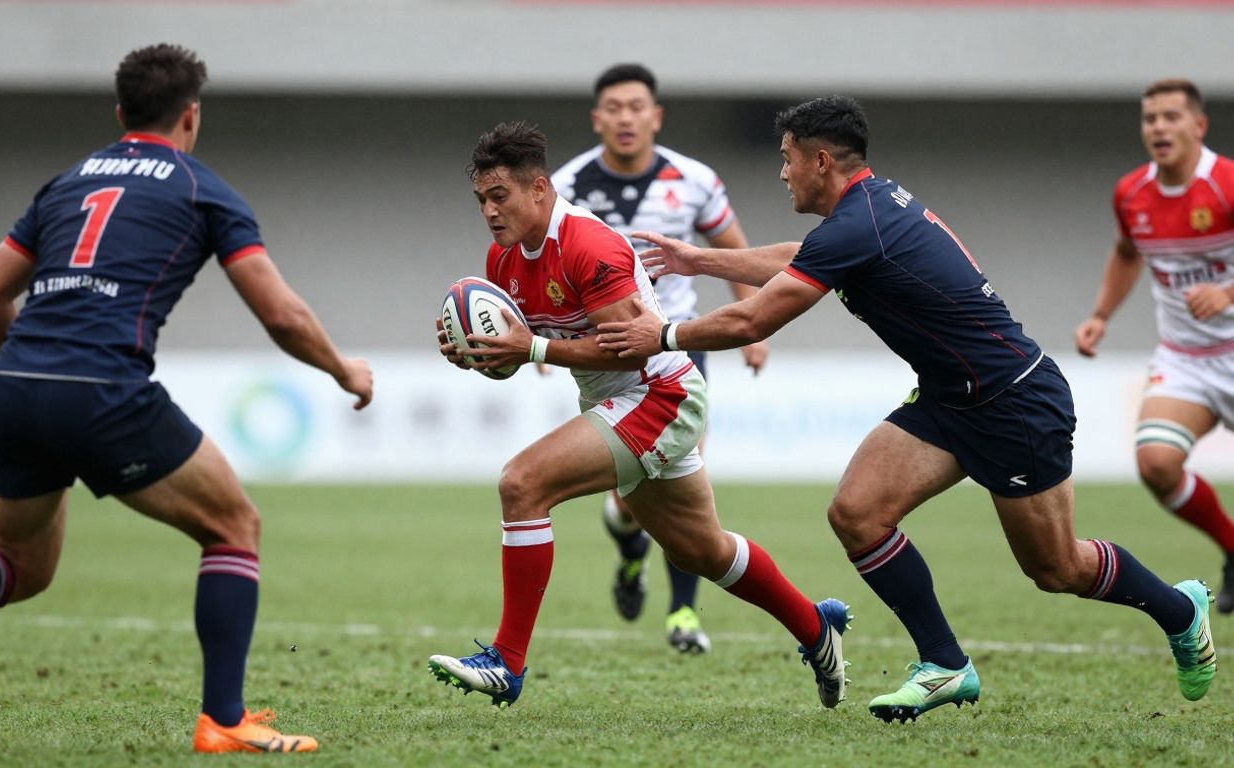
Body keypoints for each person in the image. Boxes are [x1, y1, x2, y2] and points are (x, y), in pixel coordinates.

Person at [596, 96, 1218, 722]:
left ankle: (1177, 610)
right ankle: (945, 663)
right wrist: (697, 258)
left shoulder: (856, 224)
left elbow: (755, 318)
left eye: (787, 160)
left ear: (819, 160)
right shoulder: (863, 210)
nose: (782, 173)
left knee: (1057, 568)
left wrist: (665, 335)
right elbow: (799, 258)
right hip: (950, 398)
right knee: (857, 513)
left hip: (1014, 401)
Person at [0, 44, 373, 753]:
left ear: (119, 113)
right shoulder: (202, 189)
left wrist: (35, 374)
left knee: (18, 565)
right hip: (103, 386)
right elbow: (282, 314)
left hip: (14, 385)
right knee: (234, 526)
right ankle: (223, 720)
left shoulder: (66, 183)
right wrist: (343, 370)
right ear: (190, 117)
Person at [425, 121, 849, 710]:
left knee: (521, 484)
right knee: (703, 551)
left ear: (540, 189)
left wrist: (533, 349)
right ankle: (814, 627)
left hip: (660, 394)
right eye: (481, 200)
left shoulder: (588, 244)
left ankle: (506, 661)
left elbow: (635, 344)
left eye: (500, 196)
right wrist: (476, 354)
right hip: (614, 403)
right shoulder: (502, 261)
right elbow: (521, 348)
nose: (490, 211)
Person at [551, 63, 769, 654]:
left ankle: (682, 613)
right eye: (614, 107)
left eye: (636, 106)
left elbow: (734, 250)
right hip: (604, 354)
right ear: (598, 118)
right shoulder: (566, 184)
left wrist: (753, 327)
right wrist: (539, 335)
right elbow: (540, 264)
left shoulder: (694, 180)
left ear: (656, 115)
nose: (626, 117)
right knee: (627, 503)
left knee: (685, 477)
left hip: (678, 347)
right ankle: (628, 553)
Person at [1074, 78, 1234, 615]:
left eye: (1170, 116)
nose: (1159, 128)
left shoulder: (1226, 184)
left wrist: (1228, 290)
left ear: (1198, 125)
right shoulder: (1132, 193)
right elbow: (1126, 253)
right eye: (1150, 119)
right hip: (1185, 360)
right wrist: (1100, 315)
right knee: (1156, 463)